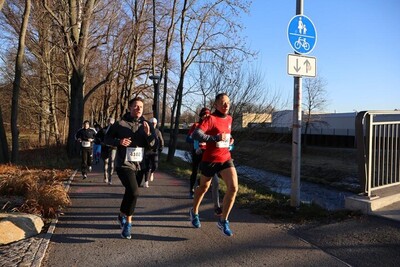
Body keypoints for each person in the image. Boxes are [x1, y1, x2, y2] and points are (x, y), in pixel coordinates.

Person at [104, 97, 157, 239]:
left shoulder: (146, 125)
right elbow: (105, 139)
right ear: (129, 108)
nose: (138, 108)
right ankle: (128, 224)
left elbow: (154, 145)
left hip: (140, 165)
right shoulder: (119, 124)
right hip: (124, 164)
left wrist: (148, 135)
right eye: (135, 106)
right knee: (134, 192)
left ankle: (121, 214)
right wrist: (118, 141)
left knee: (130, 192)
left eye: (140, 106)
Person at [190, 93, 237, 237]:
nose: (226, 105)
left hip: (225, 158)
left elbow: (226, 136)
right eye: (222, 103)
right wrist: (214, 138)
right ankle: (194, 211)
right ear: (216, 105)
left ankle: (223, 220)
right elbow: (196, 134)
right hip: (210, 159)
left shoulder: (229, 118)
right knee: (204, 188)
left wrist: (231, 141)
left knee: (234, 187)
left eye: (228, 102)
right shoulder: (210, 119)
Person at [186, 107, 211, 199]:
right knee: (195, 170)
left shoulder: (210, 126)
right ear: (201, 116)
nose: (206, 116)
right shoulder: (196, 125)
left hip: (207, 151)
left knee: (205, 171)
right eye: (204, 114)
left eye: (208, 115)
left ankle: (201, 188)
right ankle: (191, 190)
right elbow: (188, 138)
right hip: (197, 150)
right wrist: (196, 144)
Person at [142, 117, 164, 187]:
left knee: (155, 165)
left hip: (154, 151)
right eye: (152, 123)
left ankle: (152, 172)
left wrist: (161, 147)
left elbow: (161, 140)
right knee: (147, 166)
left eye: (154, 123)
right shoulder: (145, 130)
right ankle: (146, 182)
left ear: (156, 124)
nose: (153, 124)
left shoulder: (158, 132)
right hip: (147, 151)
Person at [95, 117, 117, 184]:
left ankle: (110, 178)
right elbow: (97, 137)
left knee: (112, 162)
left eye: (112, 122)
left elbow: (120, 138)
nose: (110, 123)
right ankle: (105, 176)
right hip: (105, 147)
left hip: (113, 148)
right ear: (107, 122)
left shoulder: (117, 130)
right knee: (106, 162)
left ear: (114, 122)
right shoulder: (103, 130)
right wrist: (100, 142)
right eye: (109, 122)